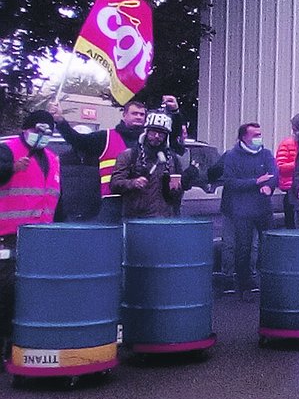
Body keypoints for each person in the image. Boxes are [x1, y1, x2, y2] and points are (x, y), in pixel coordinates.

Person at [49, 96, 182, 222]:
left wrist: (175, 112)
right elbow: (78, 140)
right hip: (113, 200)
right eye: (134, 113)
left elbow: (173, 137)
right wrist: (60, 121)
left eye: (142, 114)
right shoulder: (106, 137)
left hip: (143, 204)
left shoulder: (153, 140)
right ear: (124, 115)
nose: (138, 117)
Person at [0, 111, 62, 352]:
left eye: (48, 132)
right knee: (6, 293)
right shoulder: (8, 150)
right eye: (38, 130)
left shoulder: (52, 158)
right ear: (25, 129)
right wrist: (10, 169)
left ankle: (22, 343)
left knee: (32, 294)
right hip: (9, 236)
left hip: (40, 238)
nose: (42, 136)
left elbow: (56, 198)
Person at [208, 123, 278, 297]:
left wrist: (268, 186)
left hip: (262, 208)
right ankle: (242, 284)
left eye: (260, 134)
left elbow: (273, 174)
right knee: (241, 247)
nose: (259, 138)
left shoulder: (266, 154)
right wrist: (256, 182)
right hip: (240, 210)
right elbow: (230, 182)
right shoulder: (232, 156)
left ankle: (266, 282)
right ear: (243, 137)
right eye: (255, 135)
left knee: (266, 245)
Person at [109, 110, 190, 219]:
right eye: (153, 132)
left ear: (166, 137)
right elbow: (114, 184)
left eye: (161, 133)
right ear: (146, 132)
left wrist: (183, 183)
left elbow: (178, 192)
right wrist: (133, 183)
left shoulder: (172, 159)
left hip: (166, 219)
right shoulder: (130, 155)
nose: (157, 136)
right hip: (136, 219)